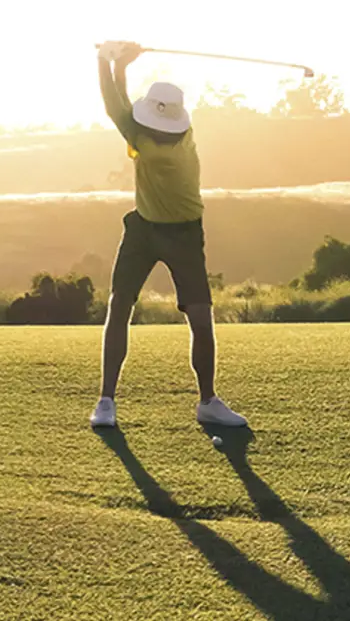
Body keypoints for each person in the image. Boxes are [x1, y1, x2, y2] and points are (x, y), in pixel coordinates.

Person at [89, 40, 247, 429]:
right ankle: (106, 400)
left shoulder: (149, 144)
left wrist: (105, 61)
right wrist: (121, 65)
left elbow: (115, 107)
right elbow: (124, 109)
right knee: (120, 305)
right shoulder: (181, 132)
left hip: (182, 234)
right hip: (144, 228)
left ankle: (207, 401)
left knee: (199, 317)